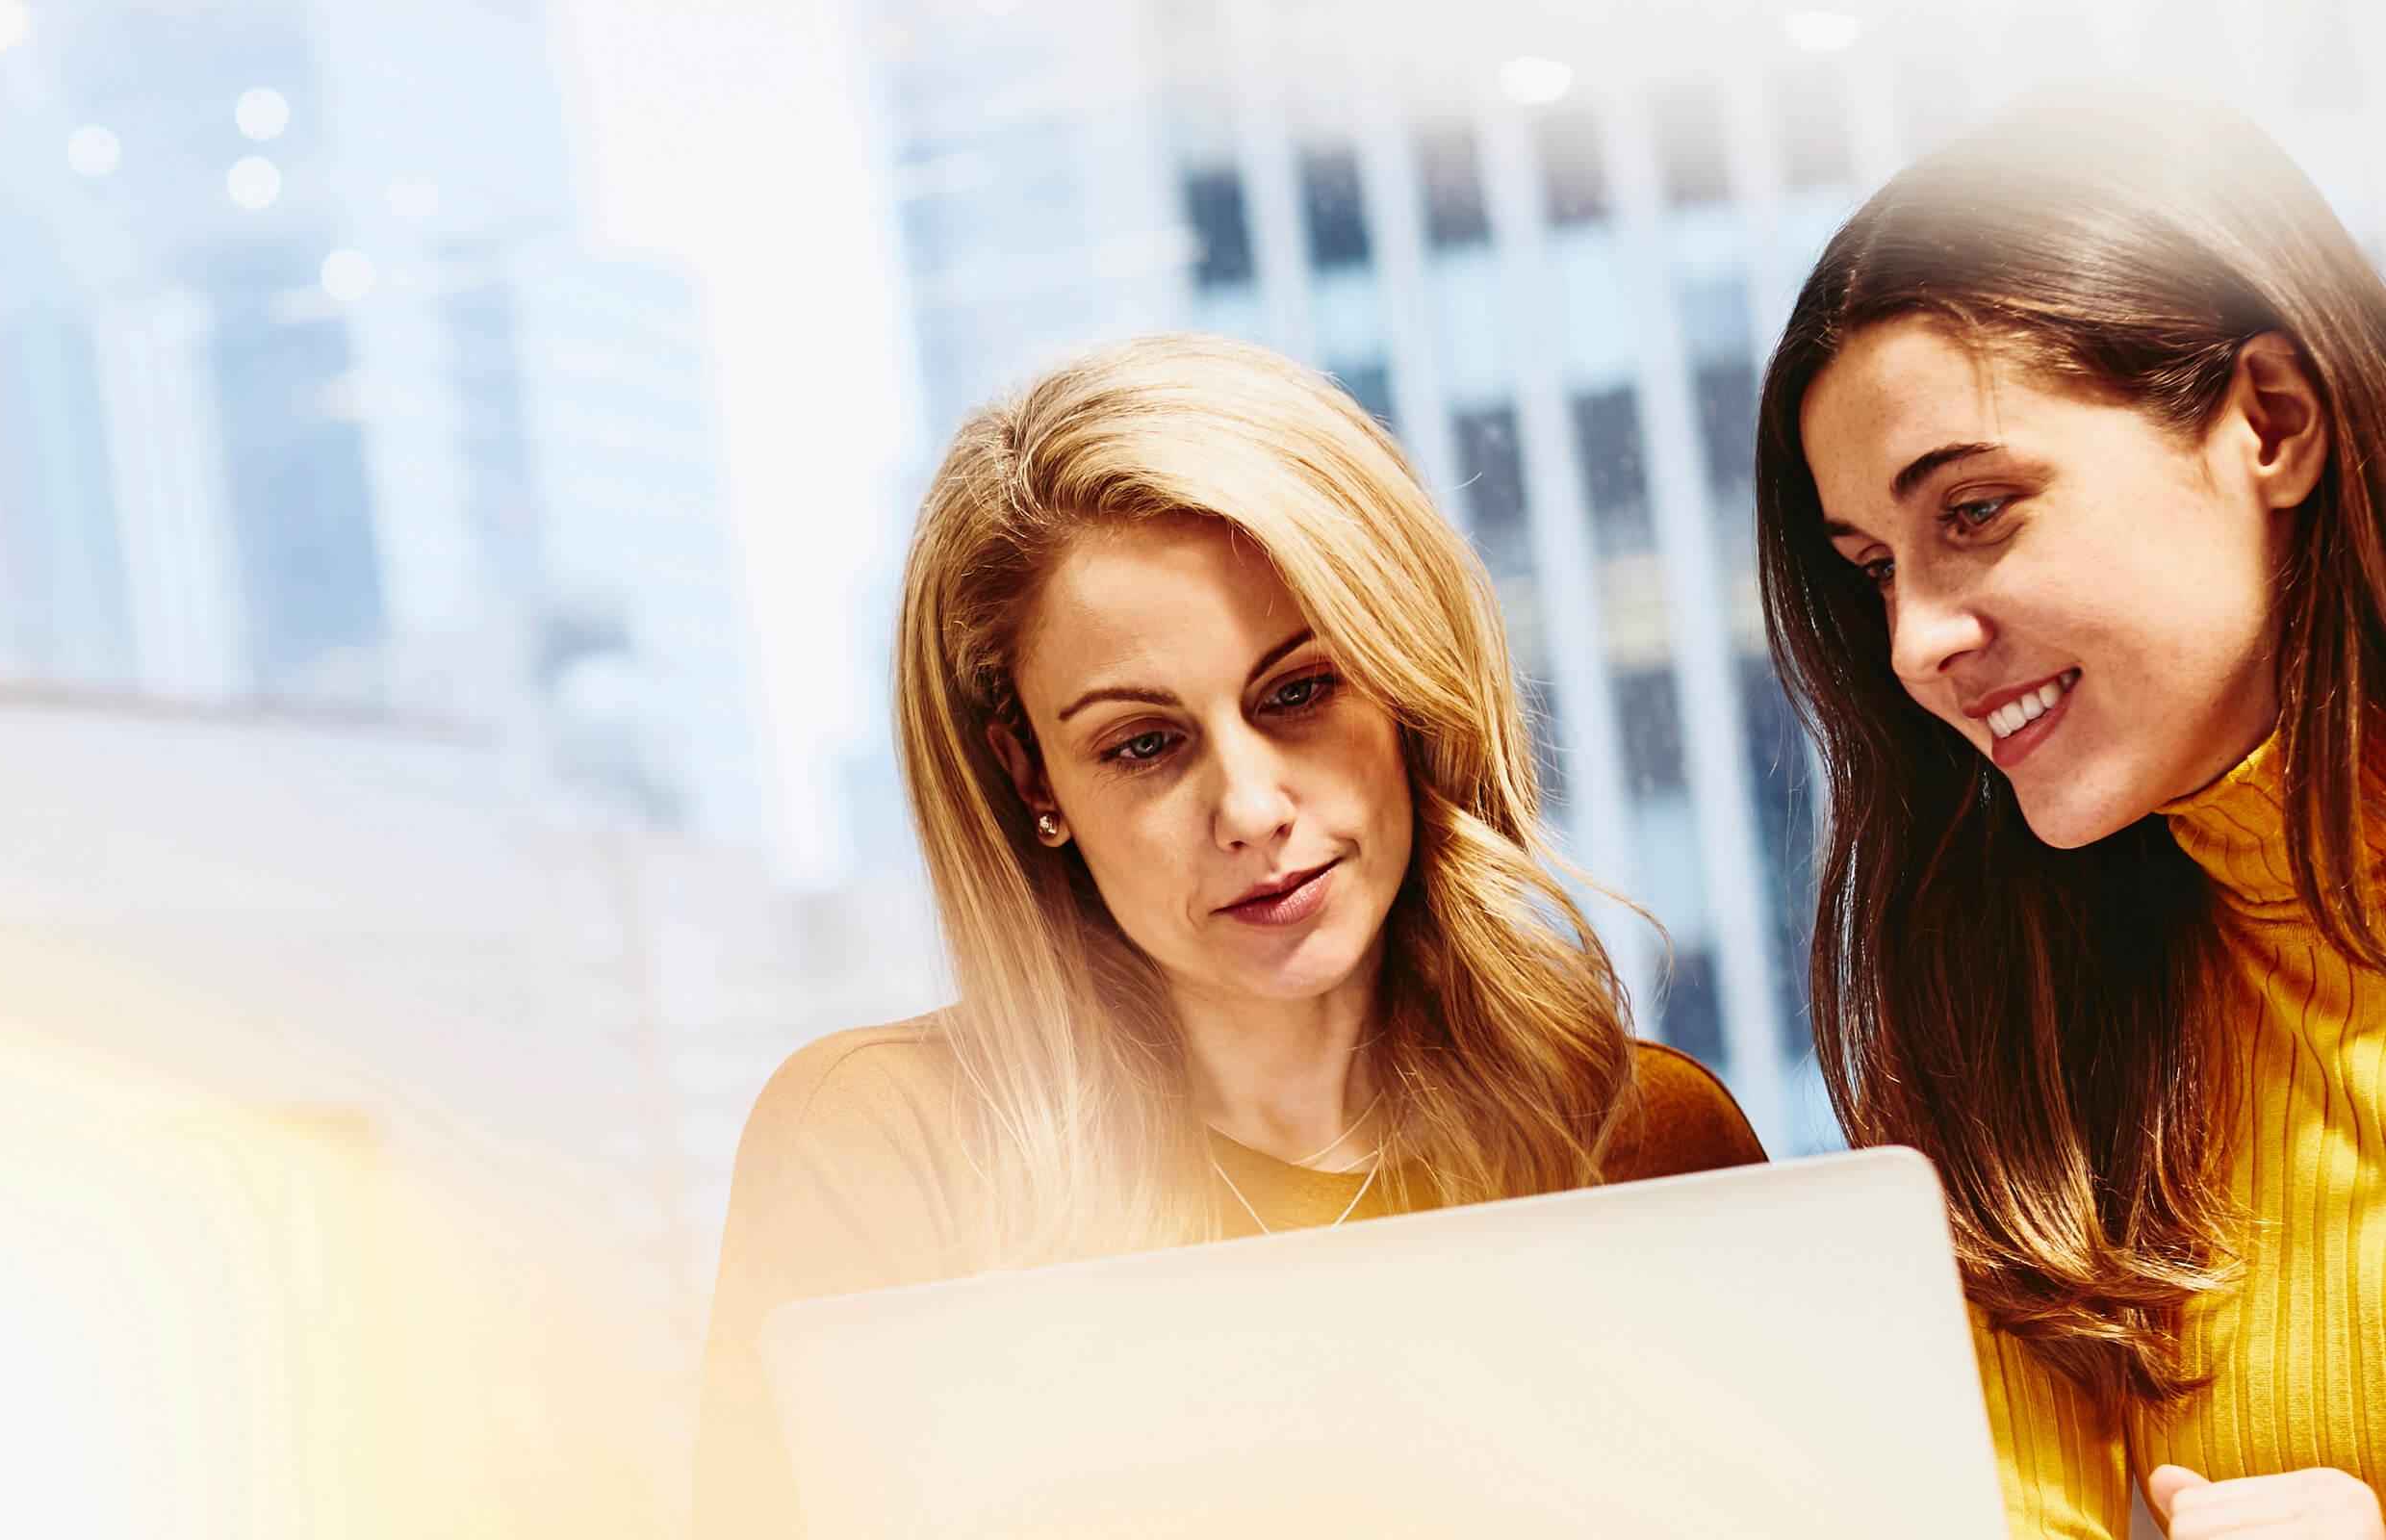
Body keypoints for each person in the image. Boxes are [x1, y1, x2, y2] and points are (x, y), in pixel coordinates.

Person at [694, 333, 1764, 1537]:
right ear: (1032, 774)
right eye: (1143, 744)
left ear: (1407, 687)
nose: (1252, 810)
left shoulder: (1640, 1139)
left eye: (1300, 691)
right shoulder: (894, 1146)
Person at [1757, 93, 2386, 1540]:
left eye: (1973, 510)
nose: (1914, 642)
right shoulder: (2012, 1040)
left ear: (2272, 425)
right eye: (1871, 567)